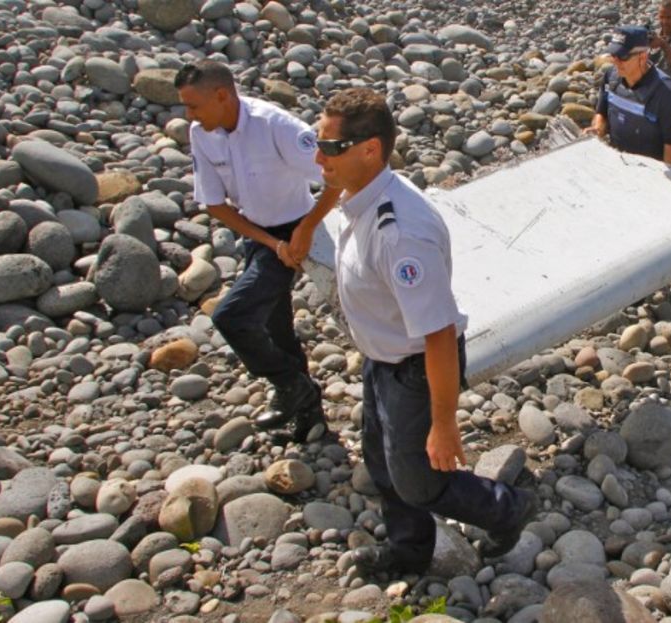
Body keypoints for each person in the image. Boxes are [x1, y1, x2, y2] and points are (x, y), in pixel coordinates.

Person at [308, 87, 538, 575]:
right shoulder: (363, 194)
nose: (317, 155)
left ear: (369, 150)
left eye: (329, 147)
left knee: (419, 481)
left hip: (415, 367)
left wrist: (444, 422)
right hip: (383, 358)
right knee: (381, 458)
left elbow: (436, 335)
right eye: (317, 141)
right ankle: (410, 551)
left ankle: (508, 509)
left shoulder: (401, 233)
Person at [176, 60, 342, 442]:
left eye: (194, 106)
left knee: (231, 316)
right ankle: (309, 416)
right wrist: (269, 243)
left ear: (222, 95)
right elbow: (215, 204)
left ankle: (291, 386)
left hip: (297, 227)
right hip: (260, 235)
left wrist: (306, 230)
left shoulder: (274, 125)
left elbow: (335, 175)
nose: (190, 115)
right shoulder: (202, 132)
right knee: (274, 325)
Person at [587, 26, 671, 166]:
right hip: (617, 163)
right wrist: (598, 130)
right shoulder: (611, 77)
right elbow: (601, 113)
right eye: (613, 55)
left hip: (649, 173)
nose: (616, 62)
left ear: (643, 56)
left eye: (623, 56)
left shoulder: (666, 94)